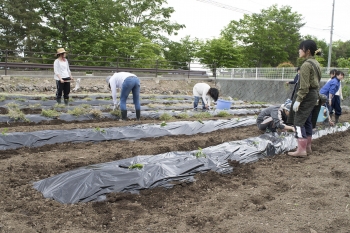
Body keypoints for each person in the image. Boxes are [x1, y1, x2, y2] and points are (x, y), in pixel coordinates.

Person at [287, 40, 322, 158]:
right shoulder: (315, 63)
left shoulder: (306, 65)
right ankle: (307, 147)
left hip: (307, 96)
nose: (299, 51)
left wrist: (298, 100)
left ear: (307, 51)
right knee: (307, 121)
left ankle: (301, 149)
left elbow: (304, 86)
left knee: (299, 121)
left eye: (301, 48)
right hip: (314, 95)